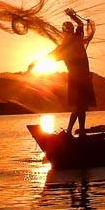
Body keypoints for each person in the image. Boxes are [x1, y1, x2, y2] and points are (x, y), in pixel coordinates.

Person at [29, 8, 96, 137]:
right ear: (64, 32)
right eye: (68, 30)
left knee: (83, 107)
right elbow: (49, 56)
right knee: (79, 107)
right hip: (76, 79)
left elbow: (80, 25)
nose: (70, 31)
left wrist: (73, 16)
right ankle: (70, 131)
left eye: (71, 28)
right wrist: (35, 63)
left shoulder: (76, 38)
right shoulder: (63, 48)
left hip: (84, 78)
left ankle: (81, 131)